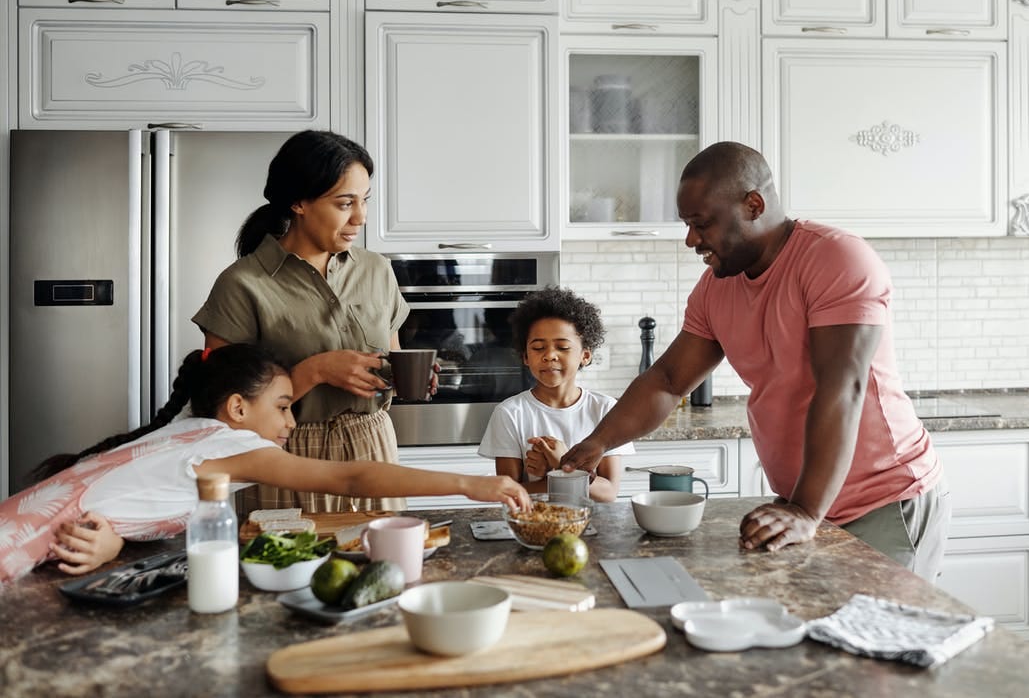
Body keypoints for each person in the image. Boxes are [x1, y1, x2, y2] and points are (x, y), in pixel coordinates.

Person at [560, 142, 949, 581]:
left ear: (753, 205)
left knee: (877, 645)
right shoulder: (715, 288)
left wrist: (805, 508)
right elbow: (668, 380)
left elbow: (842, 388)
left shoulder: (835, 259)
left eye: (701, 223)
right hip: (804, 505)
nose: (691, 239)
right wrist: (599, 442)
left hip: (882, 501)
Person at [0, 345, 530, 585]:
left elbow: (126, 503)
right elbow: (350, 476)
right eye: (282, 406)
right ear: (236, 409)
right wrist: (470, 482)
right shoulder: (227, 445)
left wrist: (113, 541)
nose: (291, 423)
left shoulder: (185, 434)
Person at [193, 130, 426, 514]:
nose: (361, 217)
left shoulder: (376, 270)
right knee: (288, 569)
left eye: (364, 201)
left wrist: (403, 376)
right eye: (344, 203)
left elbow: (391, 358)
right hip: (286, 458)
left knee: (384, 569)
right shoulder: (242, 284)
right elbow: (224, 413)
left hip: (373, 447)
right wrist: (315, 370)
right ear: (298, 202)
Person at [478, 287, 633, 503]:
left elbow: (608, 493)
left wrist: (561, 464)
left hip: (595, 528)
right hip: (535, 528)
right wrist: (560, 473)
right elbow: (509, 494)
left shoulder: (605, 409)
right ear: (525, 357)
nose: (550, 355)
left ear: (585, 355)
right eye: (538, 347)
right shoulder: (510, 413)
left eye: (562, 347)